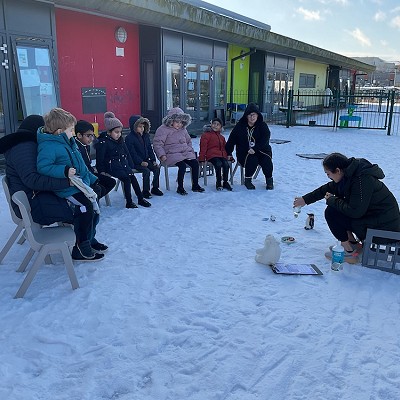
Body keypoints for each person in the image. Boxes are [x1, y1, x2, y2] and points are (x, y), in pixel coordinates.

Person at [293, 153, 400, 262]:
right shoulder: (350, 175)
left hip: (384, 230)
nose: (328, 177)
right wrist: (305, 200)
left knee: (332, 212)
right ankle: (353, 244)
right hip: (375, 220)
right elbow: (327, 188)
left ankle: (348, 251)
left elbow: (355, 212)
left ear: (338, 170)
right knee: (337, 209)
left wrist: (332, 200)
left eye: (328, 173)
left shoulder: (361, 180)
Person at [36, 108, 106, 261]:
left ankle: (90, 238)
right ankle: (81, 246)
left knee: (93, 210)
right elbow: (43, 167)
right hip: (67, 189)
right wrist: (64, 170)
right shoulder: (49, 146)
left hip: (80, 184)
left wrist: (93, 180)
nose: (73, 133)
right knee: (85, 208)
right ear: (60, 131)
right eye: (70, 130)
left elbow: (81, 166)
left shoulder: (70, 142)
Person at [0, 115, 74, 227]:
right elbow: (32, 179)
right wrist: (66, 183)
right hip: (31, 204)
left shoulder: (26, 144)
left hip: (34, 197)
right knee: (80, 211)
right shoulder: (23, 147)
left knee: (79, 205)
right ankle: (81, 241)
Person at [95, 111, 151, 209]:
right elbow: (100, 159)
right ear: (109, 132)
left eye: (120, 132)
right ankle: (129, 202)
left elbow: (127, 154)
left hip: (123, 165)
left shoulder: (120, 140)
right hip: (111, 167)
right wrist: (102, 171)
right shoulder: (103, 142)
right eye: (116, 132)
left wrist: (130, 165)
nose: (119, 134)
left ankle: (140, 198)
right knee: (126, 179)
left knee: (132, 177)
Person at [153, 107, 205, 195]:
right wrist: (161, 155)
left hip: (185, 152)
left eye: (181, 122)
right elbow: (157, 144)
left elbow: (188, 141)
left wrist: (190, 150)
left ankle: (195, 185)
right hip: (171, 154)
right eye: (177, 122)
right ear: (171, 120)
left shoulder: (183, 130)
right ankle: (180, 187)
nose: (179, 124)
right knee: (182, 166)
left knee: (195, 163)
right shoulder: (163, 129)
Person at [225, 102, 274, 190]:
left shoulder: (262, 125)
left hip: (261, 150)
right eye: (250, 115)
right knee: (252, 159)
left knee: (266, 160)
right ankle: (247, 180)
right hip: (245, 153)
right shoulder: (240, 126)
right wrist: (229, 152)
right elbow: (231, 140)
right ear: (246, 116)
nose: (252, 117)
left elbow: (265, 139)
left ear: (257, 115)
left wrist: (255, 149)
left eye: (254, 115)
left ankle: (269, 180)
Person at [74, 120, 116, 200]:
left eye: (92, 135)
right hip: (82, 177)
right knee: (100, 188)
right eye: (88, 135)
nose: (91, 138)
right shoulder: (76, 148)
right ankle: (91, 201)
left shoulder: (86, 145)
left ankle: (94, 199)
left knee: (111, 182)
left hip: (90, 173)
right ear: (79, 135)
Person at [125, 115, 163, 199]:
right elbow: (131, 153)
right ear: (134, 127)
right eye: (139, 126)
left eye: (143, 126)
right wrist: (140, 162)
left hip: (146, 160)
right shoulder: (129, 138)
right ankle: (145, 191)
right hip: (134, 162)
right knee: (146, 171)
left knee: (156, 168)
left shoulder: (146, 136)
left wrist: (153, 160)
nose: (142, 128)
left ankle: (155, 188)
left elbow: (150, 149)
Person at [198, 117, 233, 191]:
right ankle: (218, 182)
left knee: (226, 165)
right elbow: (203, 147)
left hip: (221, 155)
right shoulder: (206, 135)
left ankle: (225, 182)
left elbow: (225, 148)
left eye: (218, 124)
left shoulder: (222, 137)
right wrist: (201, 158)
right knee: (218, 164)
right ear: (211, 125)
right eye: (214, 124)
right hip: (212, 155)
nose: (215, 126)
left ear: (221, 127)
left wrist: (230, 156)